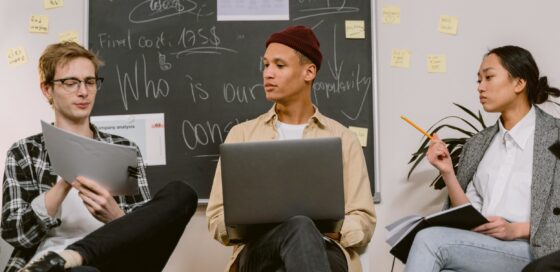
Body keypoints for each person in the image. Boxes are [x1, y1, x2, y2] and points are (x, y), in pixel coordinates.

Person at [1, 42, 198, 272]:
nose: (83, 91)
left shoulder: (124, 148)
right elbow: (16, 234)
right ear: (47, 89)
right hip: (47, 265)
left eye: (90, 81)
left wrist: (116, 216)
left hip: (116, 261)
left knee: (182, 193)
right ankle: (67, 260)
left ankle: (73, 255)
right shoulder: (24, 152)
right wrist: (64, 182)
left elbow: (148, 233)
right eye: (70, 82)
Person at [206, 25, 376, 272]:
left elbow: (364, 219)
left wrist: (330, 230)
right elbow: (215, 217)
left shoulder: (343, 138)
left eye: (279, 65)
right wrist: (242, 224)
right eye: (266, 65)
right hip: (259, 249)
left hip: (325, 248)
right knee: (297, 229)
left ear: (309, 72)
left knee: (300, 234)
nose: (268, 74)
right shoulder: (241, 135)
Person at [404, 45, 560, 272]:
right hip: (485, 247)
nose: (480, 87)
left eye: (489, 77)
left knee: (429, 240)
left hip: (536, 249)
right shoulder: (478, 143)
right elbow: (470, 217)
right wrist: (447, 172)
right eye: (478, 80)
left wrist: (518, 229)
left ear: (519, 83)